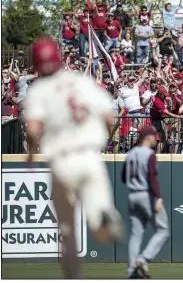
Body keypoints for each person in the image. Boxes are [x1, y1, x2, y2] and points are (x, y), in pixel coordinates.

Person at [23, 37, 123, 279]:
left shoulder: (39, 90)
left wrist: (30, 154)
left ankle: (73, 276)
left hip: (62, 162)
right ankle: (102, 219)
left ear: (36, 64)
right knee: (99, 217)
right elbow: (110, 118)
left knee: (67, 234)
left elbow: (34, 129)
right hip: (90, 156)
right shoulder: (80, 81)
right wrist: (103, 136)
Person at [121, 125, 170, 279]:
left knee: (136, 233)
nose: (156, 139)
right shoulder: (150, 154)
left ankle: (131, 271)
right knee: (163, 230)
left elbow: (123, 177)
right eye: (154, 136)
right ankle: (143, 259)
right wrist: (158, 198)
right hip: (146, 195)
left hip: (132, 195)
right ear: (148, 137)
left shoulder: (130, 154)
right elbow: (152, 178)